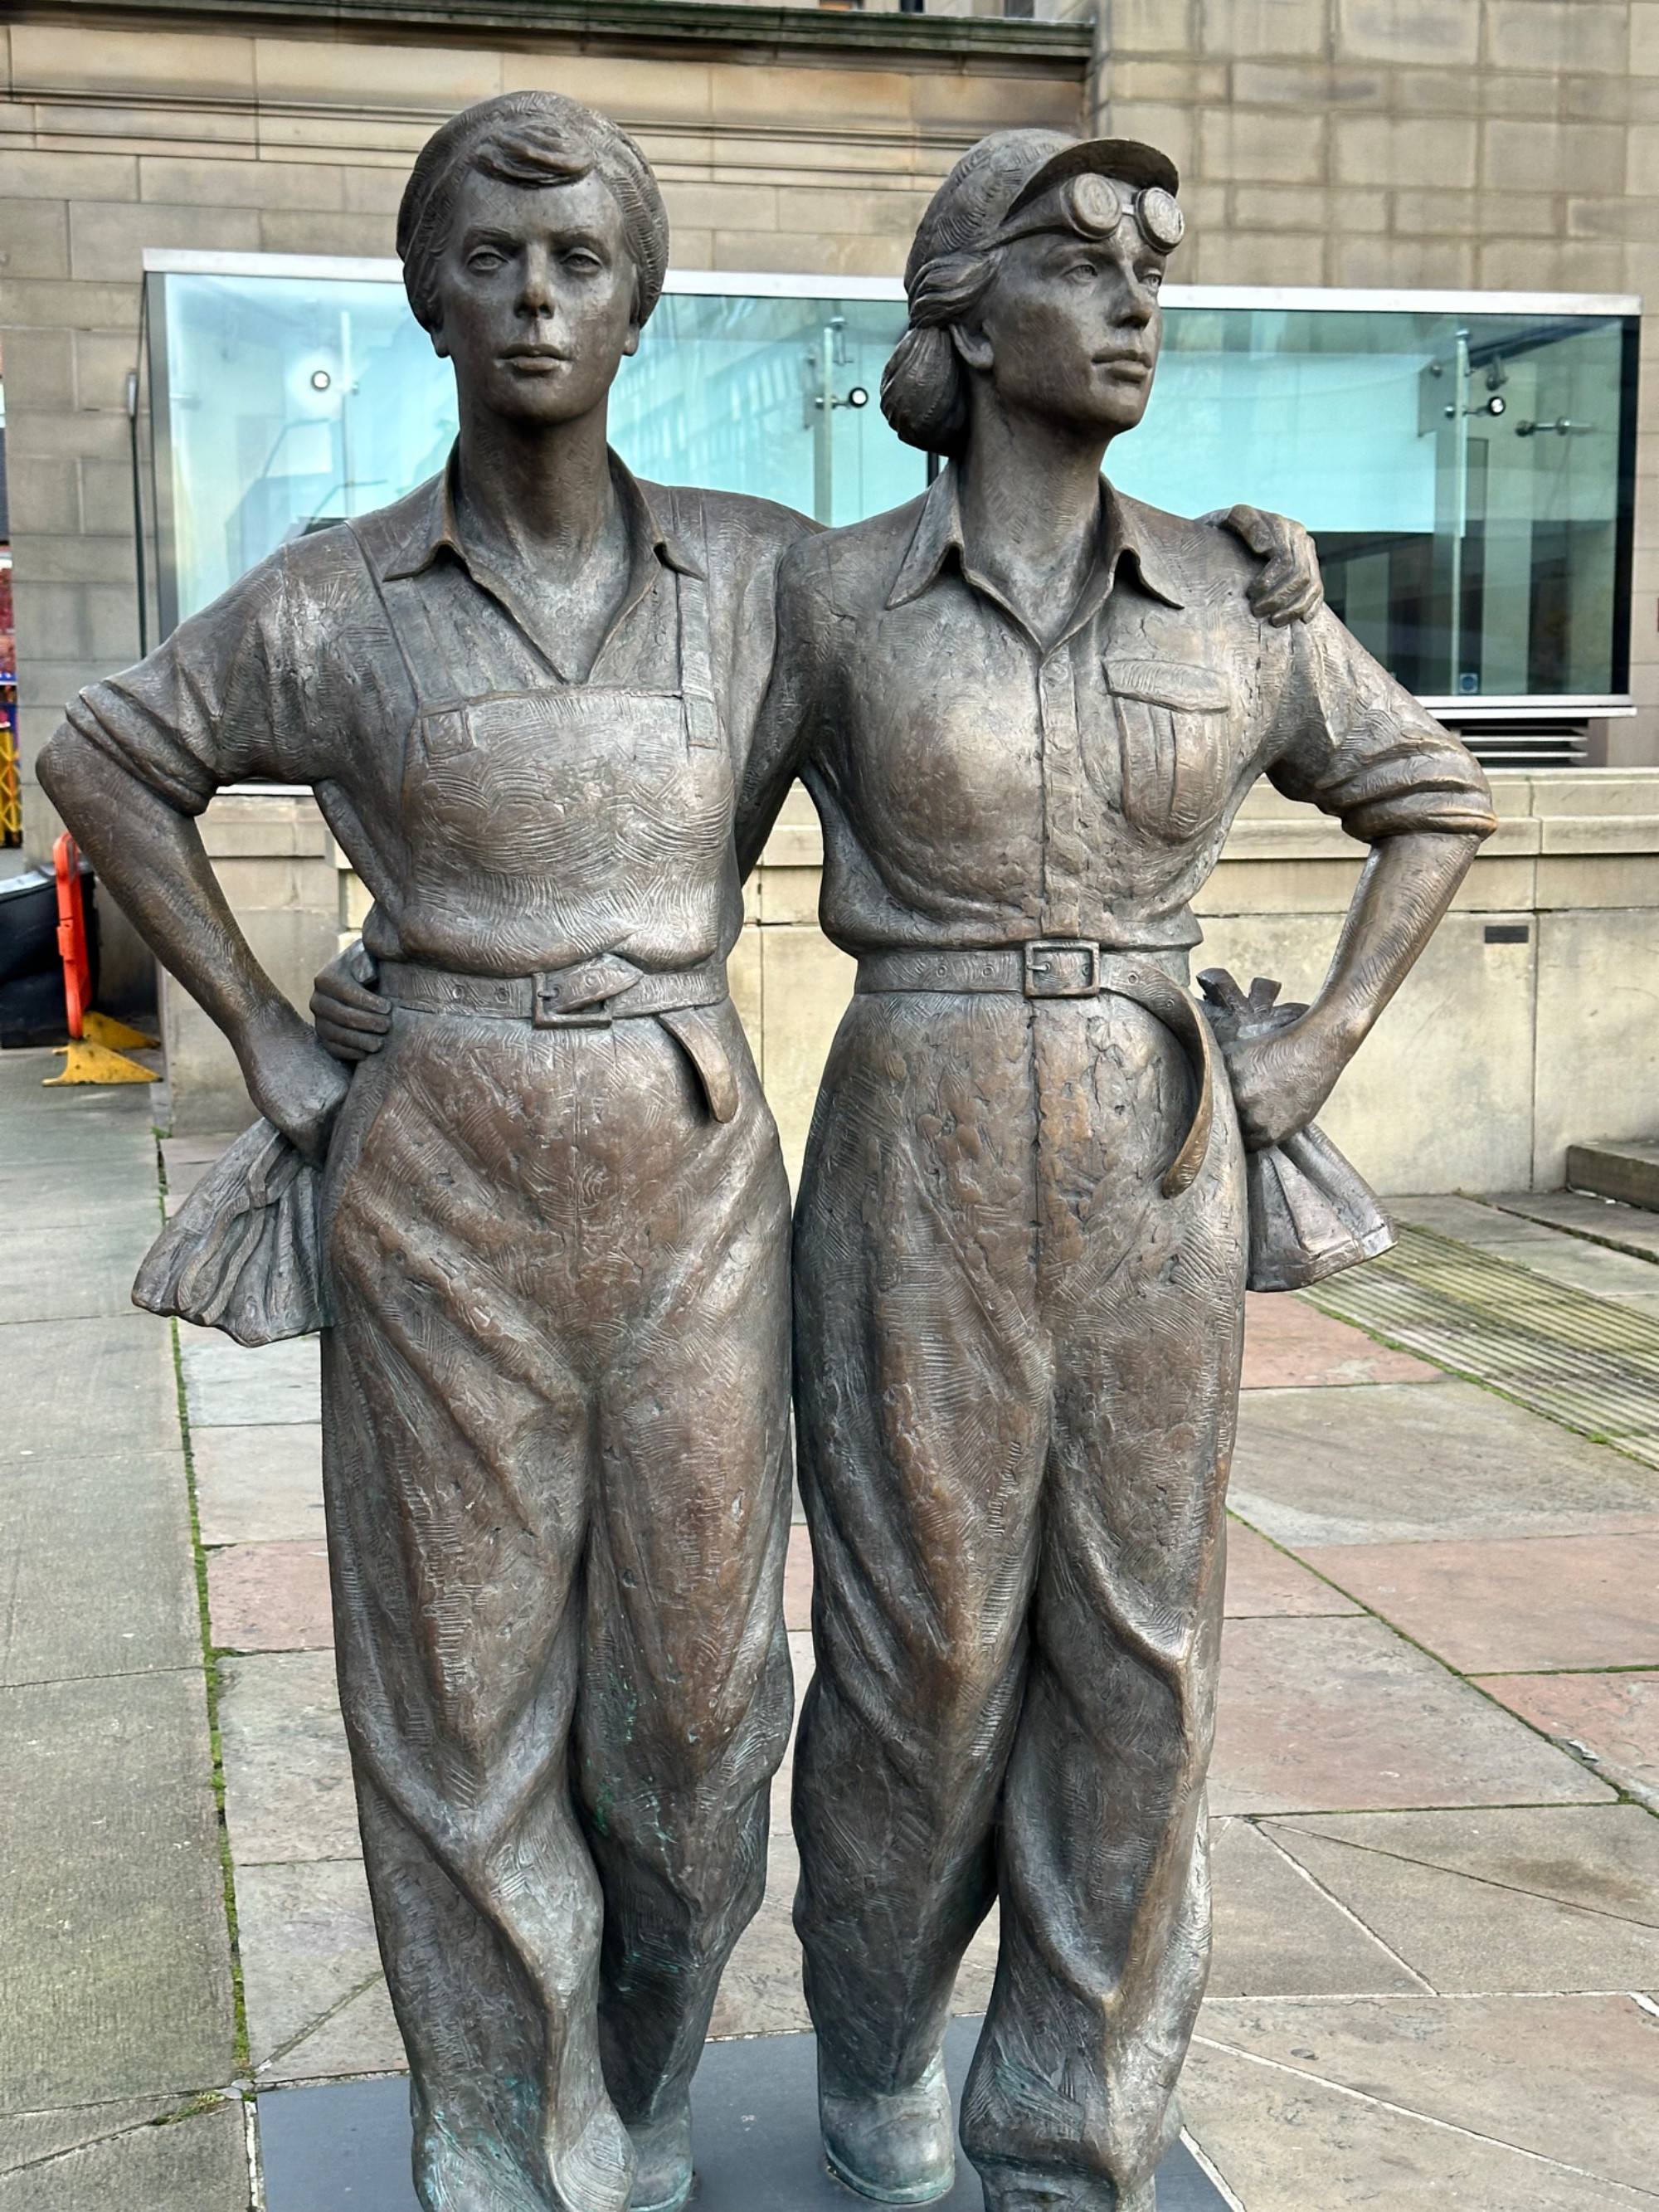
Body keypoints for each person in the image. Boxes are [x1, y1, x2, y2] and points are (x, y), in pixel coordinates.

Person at [40, 91, 806, 2212]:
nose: (539, 296)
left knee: (701, 1714)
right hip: (438, 1178)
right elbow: (105, 753)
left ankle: (640, 2077)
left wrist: (1226, 560)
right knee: (458, 1700)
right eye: (495, 257)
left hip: (689, 1185)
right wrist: (278, 1043)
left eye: (580, 261)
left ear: (643, 299)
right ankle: (503, 2138)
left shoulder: (751, 570)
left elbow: (968, 613)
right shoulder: (338, 593)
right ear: (427, 293)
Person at [735, 132, 1498, 2212]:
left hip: (1158, 1143)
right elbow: (653, 849)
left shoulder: (1235, 591)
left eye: (1156, 264)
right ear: (967, 317)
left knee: (1139, 1650)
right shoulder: (830, 597)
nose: (1138, 299)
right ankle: (878, 2038)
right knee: (921, 1647)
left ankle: (1070, 2107)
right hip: (917, 1138)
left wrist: (1318, 1038)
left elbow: (1427, 798)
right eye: (1082, 262)